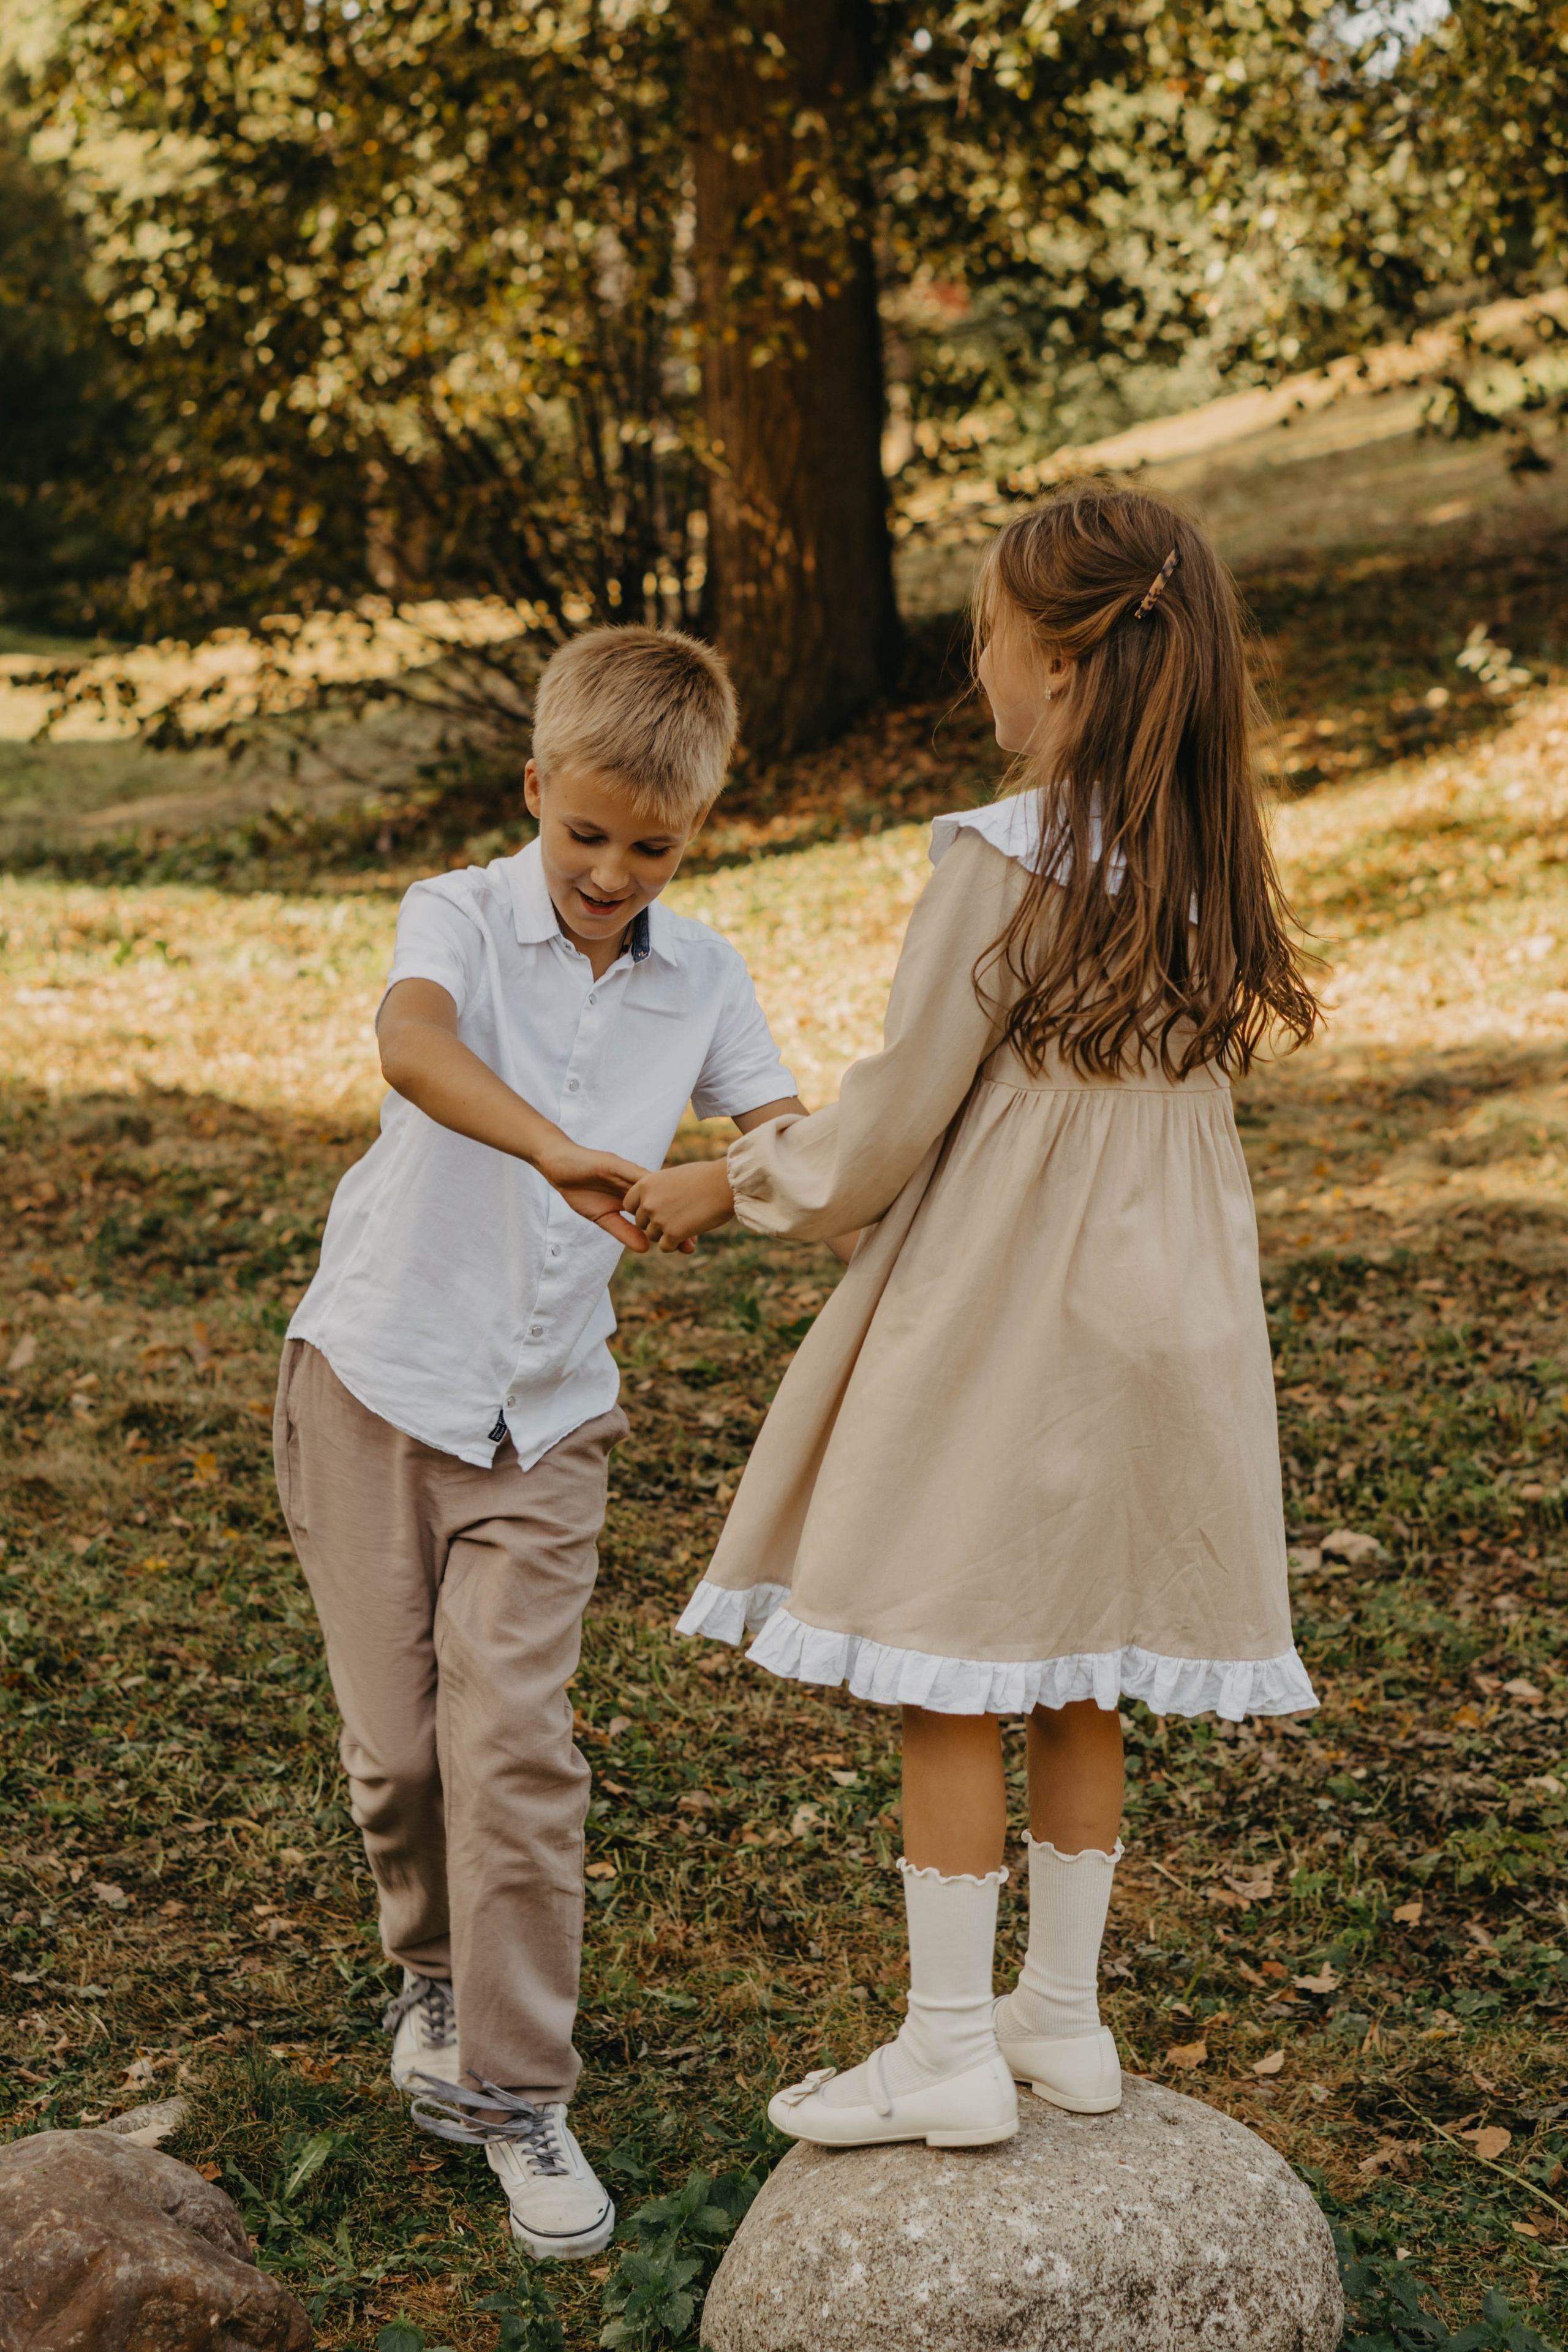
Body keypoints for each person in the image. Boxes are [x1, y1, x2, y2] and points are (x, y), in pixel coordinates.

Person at [622, 482, 1323, 2151]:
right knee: (1081, 1667)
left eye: (993, 642)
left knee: (951, 1662)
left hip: (1013, 1319)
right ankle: (1064, 2019)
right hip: (1170, 1330)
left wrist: (736, 1179)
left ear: (1068, 669)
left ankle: (946, 2041)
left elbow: (888, 1127)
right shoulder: (1205, 862)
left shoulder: (1005, 861)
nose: (982, 675)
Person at [273, 625, 818, 2251]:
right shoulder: (458, 915)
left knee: (513, 1747)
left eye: (652, 847)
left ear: (696, 838)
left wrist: (741, 1175)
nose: (611, 872)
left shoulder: (701, 974)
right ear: (536, 795)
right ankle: (429, 1979)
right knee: (403, 1758)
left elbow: (787, 1137)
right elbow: (413, 1047)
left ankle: (519, 2094)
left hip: (546, 1421)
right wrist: (564, 1151)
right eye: (586, 835)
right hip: (372, 1382)